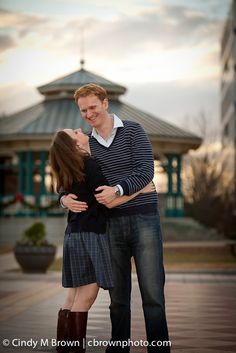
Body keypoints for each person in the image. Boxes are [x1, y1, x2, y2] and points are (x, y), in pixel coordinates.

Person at [61, 84, 170, 353]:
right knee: (118, 297)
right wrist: (62, 199)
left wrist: (118, 190)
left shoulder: (133, 131)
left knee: (153, 295)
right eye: (83, 110)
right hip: (109, 224)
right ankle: (119, 348)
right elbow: (69, 179)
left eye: (93, 107)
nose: (88, 114)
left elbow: (146, 171)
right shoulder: (86, 144)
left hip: (144, 220)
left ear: (106, 103)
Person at [50, 128, 154, 353]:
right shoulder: (89, 165)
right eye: (75, 132)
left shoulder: (65, 170)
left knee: (73, 295)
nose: (81, 130)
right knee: (86, 296)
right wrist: (140, 191)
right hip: (91, 234)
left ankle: (63, 348)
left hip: (72, 234)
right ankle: (75, 349)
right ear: (74, 145)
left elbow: (62, 193)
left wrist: (63, 200)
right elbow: (106, 200)